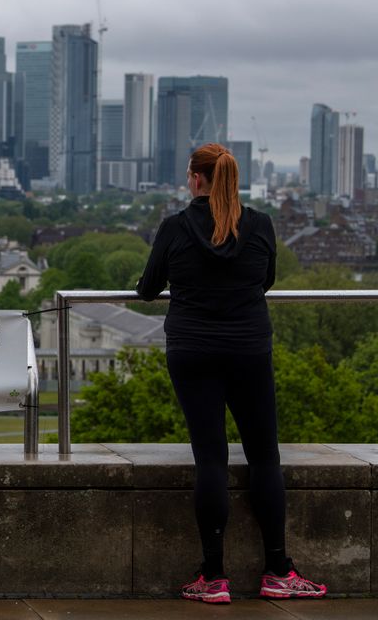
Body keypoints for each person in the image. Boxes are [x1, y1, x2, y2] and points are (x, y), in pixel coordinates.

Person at [136, 143, 326, 604]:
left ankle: (214, 577)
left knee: (211, 459)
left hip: (192, 350)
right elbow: (266, 281)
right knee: (264, 457)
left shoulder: (176, 227)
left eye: (188, 174)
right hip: (248, 349)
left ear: (197, 179)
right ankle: (278, 570)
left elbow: (146, 290)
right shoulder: (259, 225)